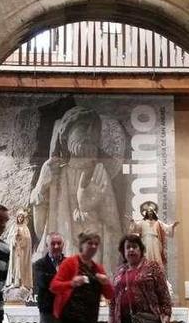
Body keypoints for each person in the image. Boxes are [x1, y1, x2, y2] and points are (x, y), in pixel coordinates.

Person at [30, 106, 124, 271]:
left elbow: (114, 231)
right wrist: (42, 186)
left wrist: (91, 211)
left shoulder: (99, 175)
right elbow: (40, 231)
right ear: (66, 134)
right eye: (82, 127)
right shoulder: (56, 173)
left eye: (93, 130)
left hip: (90, 262)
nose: (88, 133)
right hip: (61, 259)